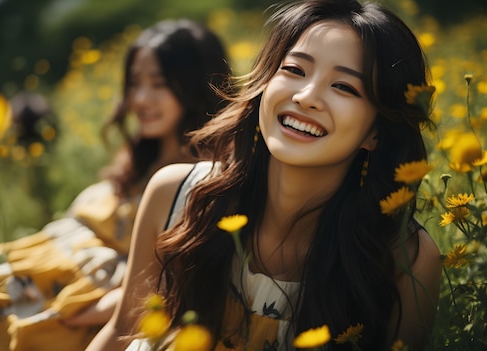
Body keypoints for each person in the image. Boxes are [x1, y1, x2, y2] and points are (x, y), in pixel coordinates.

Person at [86, 1, 443, 350]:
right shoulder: (175, 193)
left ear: (376, 132)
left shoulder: (404, 256)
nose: (306, 97)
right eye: (294, 70)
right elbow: (120, 331)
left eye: (344, 87)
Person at [0, 19, 230, 351]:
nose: (140, 99)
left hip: (68, 298)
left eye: (158, 84)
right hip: (31, 262)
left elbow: (193, 278)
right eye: (135, 84)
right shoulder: (140, 157)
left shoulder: (206, 176)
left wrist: (120, 304)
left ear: (196, 87)